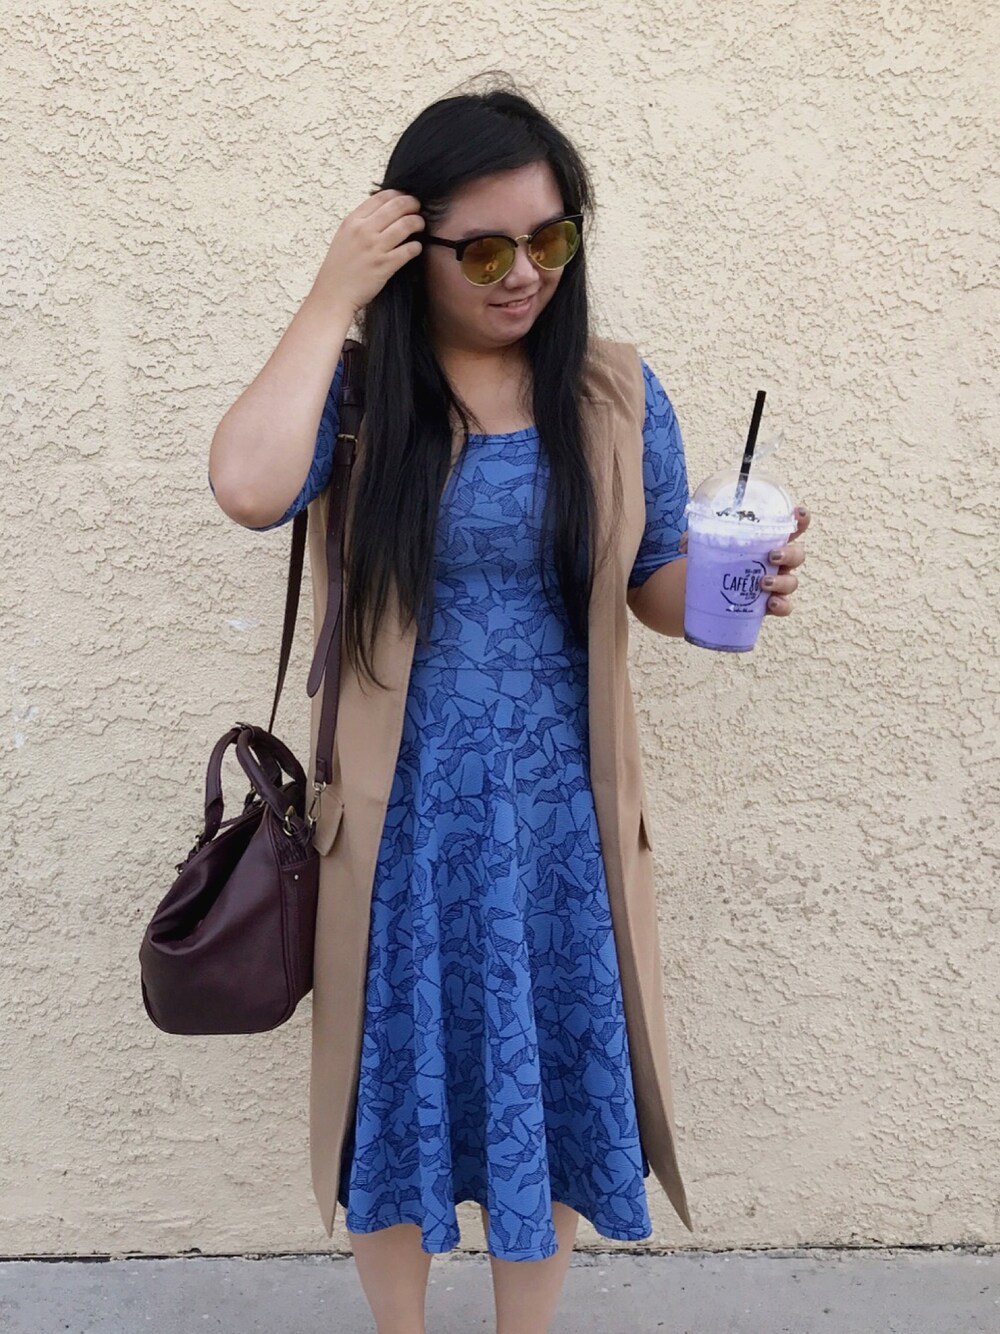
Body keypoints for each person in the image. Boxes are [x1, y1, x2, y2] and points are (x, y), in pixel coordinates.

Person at [208, 78, 808, 1334]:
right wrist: (330, 296)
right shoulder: (363, 397)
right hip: (399, 825)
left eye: (550, 238)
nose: (523, 273)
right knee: (391, 1100)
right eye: (483, 250)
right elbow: (249, 488)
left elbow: (650, 584)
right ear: (411, 251)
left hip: (559, 826)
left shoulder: (612, 392)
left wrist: (733, 580)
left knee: (555, 1094)